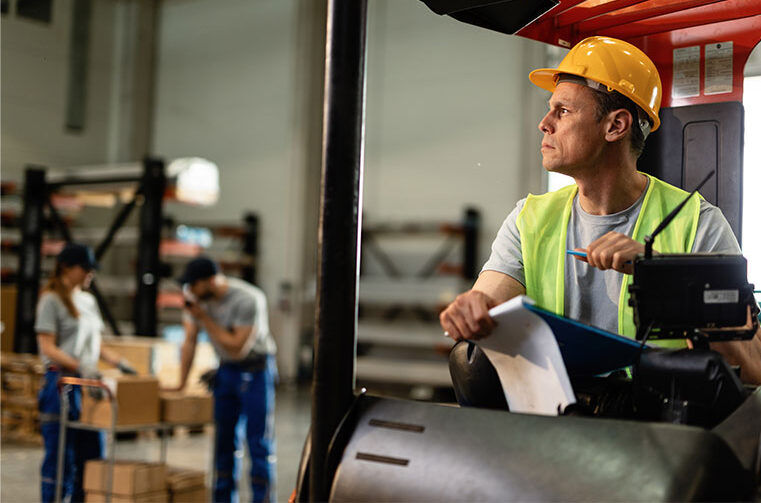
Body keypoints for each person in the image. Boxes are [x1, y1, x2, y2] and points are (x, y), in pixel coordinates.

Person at [439, 36, 761, 385]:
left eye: (563, 111)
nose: (544, 123)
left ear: (616, 126)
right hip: (561, 418)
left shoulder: (698, 224)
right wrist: (472, 310)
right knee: (469, 360)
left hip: (661, 426)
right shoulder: (529, 218)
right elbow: (488, 303)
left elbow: (754, 367)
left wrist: (665, 278)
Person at [36, 243, 137, 503]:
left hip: (89, 384)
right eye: (86, 268)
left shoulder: (89, 300)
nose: (90, 273)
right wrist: (79, 366)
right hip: (62, 383)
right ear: (67, 267)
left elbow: (97, 344)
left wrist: (120, 363)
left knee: (92, 456)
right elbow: (47, 346)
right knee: (62, 458)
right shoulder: (51, 299)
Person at [170, 256, 277, 503]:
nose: (189, 290)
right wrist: (181, 382)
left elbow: (237, 347)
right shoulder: (197, 300)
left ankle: (263, 499)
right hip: (226, 371)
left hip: (256, 370)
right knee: (223, 441)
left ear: (210, 281)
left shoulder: (248, 299)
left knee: (258, 442)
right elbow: (190, 341)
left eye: (193, 284)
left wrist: (205, 318)